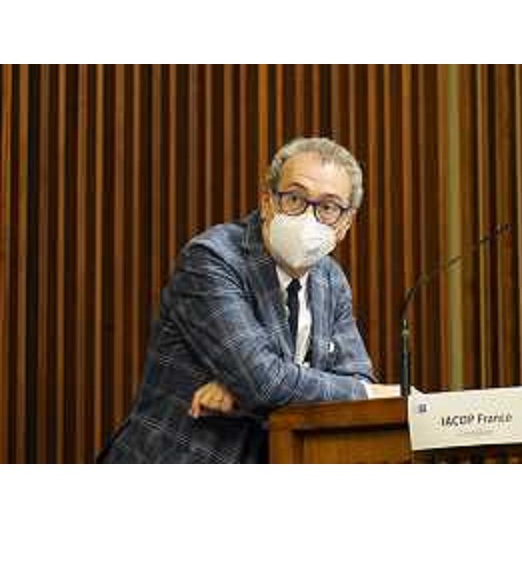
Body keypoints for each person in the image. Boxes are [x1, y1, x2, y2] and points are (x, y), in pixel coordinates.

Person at [98, 137, 398, 464]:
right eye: (294, 198)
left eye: (328, 208)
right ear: (268, 202)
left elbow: (355, 377)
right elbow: (266, 381)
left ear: (345, 224)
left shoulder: (330, 278)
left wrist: (245, 394)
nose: (309, 217)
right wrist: (258, 386)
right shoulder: (211, 259)